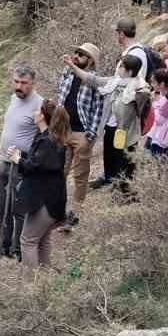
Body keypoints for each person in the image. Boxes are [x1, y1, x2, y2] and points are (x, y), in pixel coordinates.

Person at [0, 67, 42, 266]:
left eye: (23, 83)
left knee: (19, 208)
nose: (19, 86)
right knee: (0, 205)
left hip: (21, 163)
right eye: (16, 81)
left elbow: (43, 137)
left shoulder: (39, 104)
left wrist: (28, 161)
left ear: (32, 83)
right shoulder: (13, 99)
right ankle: (4, 244)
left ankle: (18, 249)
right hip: (4, 161)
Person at [65, 53, 149, 189]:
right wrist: (72, 66)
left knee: (125, 160)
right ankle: (110, 179)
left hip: (125, 131)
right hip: (110, 127)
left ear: (129, 71)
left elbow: (144, 103)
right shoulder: (114, 82)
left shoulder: (139, 89)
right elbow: (92, 79)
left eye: (121, 66)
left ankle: (125, 189)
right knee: (110, 155)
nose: (118, 68)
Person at [12, 100, 69, 276]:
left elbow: (33, 167)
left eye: (38, 110)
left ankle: (31, 287)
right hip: (54, 200)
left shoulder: (47, 142)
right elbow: (41, 163)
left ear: (43, 116)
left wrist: (17, 159)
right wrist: (22, 156)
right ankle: (44, 281)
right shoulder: (52, 138)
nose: (35, 112)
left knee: (27, 240)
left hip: (44, 201)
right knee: (42, 239)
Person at [55, 43, 106, 231]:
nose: (76, 56)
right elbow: (59, 96)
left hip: (82, 133)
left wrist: (90, 136)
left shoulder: (94, 81)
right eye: (76, 53)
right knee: (59, 172)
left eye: (81, 55)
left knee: (80, 177)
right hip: (63, 132)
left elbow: (98, 110)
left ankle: (75, 214)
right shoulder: (66, 74)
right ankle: (57, 211)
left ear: (90, 60)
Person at [144, 68, 168, 159]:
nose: (152, 85)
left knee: (161, 162)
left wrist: (154, 104)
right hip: (158, 133)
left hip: (162, 136)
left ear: (162, 84)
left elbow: (159, 120)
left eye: (153, 82)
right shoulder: (162, 93)